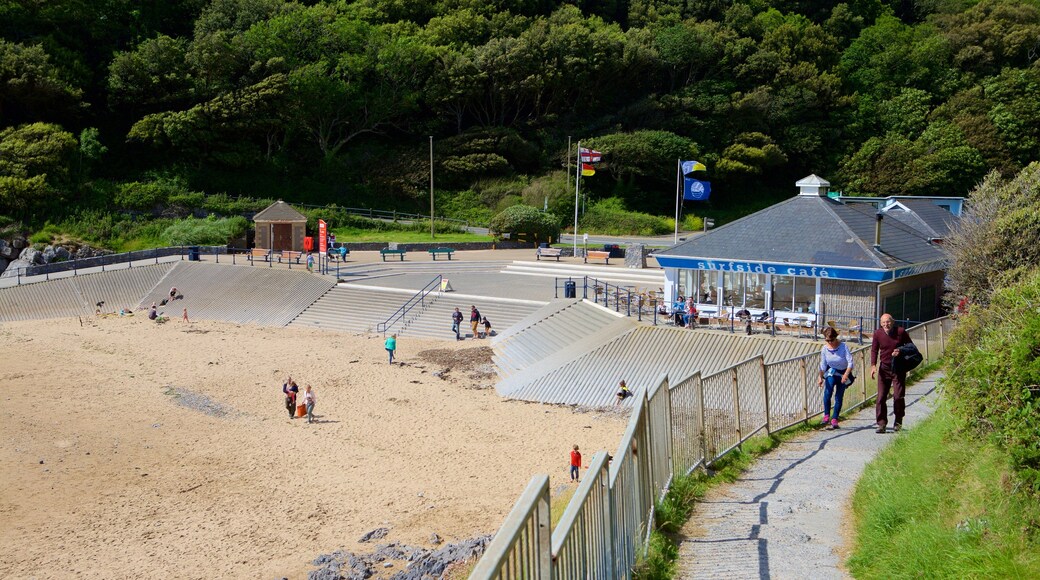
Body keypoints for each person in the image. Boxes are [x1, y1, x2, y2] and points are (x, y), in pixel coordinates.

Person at [870, 313, 914, 433]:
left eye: (888, 322)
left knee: (898, 396)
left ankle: (898, 422)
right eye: (884, 322)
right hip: (884, 369)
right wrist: (873, 365)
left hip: (898, 369)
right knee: (880, 397)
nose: (886, 324)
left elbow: (911, 347)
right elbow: (874, 349)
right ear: (880, 323)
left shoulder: (900, 332)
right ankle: (881, 424)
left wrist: (900, 351)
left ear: (892, 322)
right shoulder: (878, 333)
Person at [817, 327, 854, 430]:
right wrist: (820, 377)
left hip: (843, 373)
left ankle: (835, 419)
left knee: (839, 396)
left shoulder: (843, 347)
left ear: (835, 338)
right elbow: (823, 365)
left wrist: (846, 374)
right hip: (832, 372)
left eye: (831, 340)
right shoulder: (825, 349)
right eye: (827, 340)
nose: (830, 342)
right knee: (828, 392)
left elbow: (850, 362)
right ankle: (826, 416)